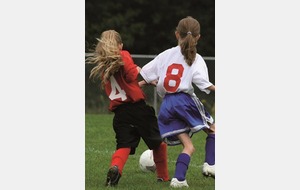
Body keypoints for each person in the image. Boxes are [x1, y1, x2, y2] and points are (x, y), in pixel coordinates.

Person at [139, 16, 215, 188]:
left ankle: (179, 179)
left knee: (188, 146)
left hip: (167, 106)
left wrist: (145, 81)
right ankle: (211, 165)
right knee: (214, 130)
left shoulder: (165, 55)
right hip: (184, 101)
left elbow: (146, 72)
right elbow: (203, 84)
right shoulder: (197, 58)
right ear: (198, 37)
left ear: (176, 34)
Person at [87, 30, 170, 187]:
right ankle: (163, 177)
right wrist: (141, 72)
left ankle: (116, 168)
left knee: (124, 145)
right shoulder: (123, 55)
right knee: (158, 143)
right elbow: (132, 76)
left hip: (121, 114)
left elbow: (126, 86)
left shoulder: (105, 66)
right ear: (119, 45)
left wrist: (145, 81)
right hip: (138, 110)